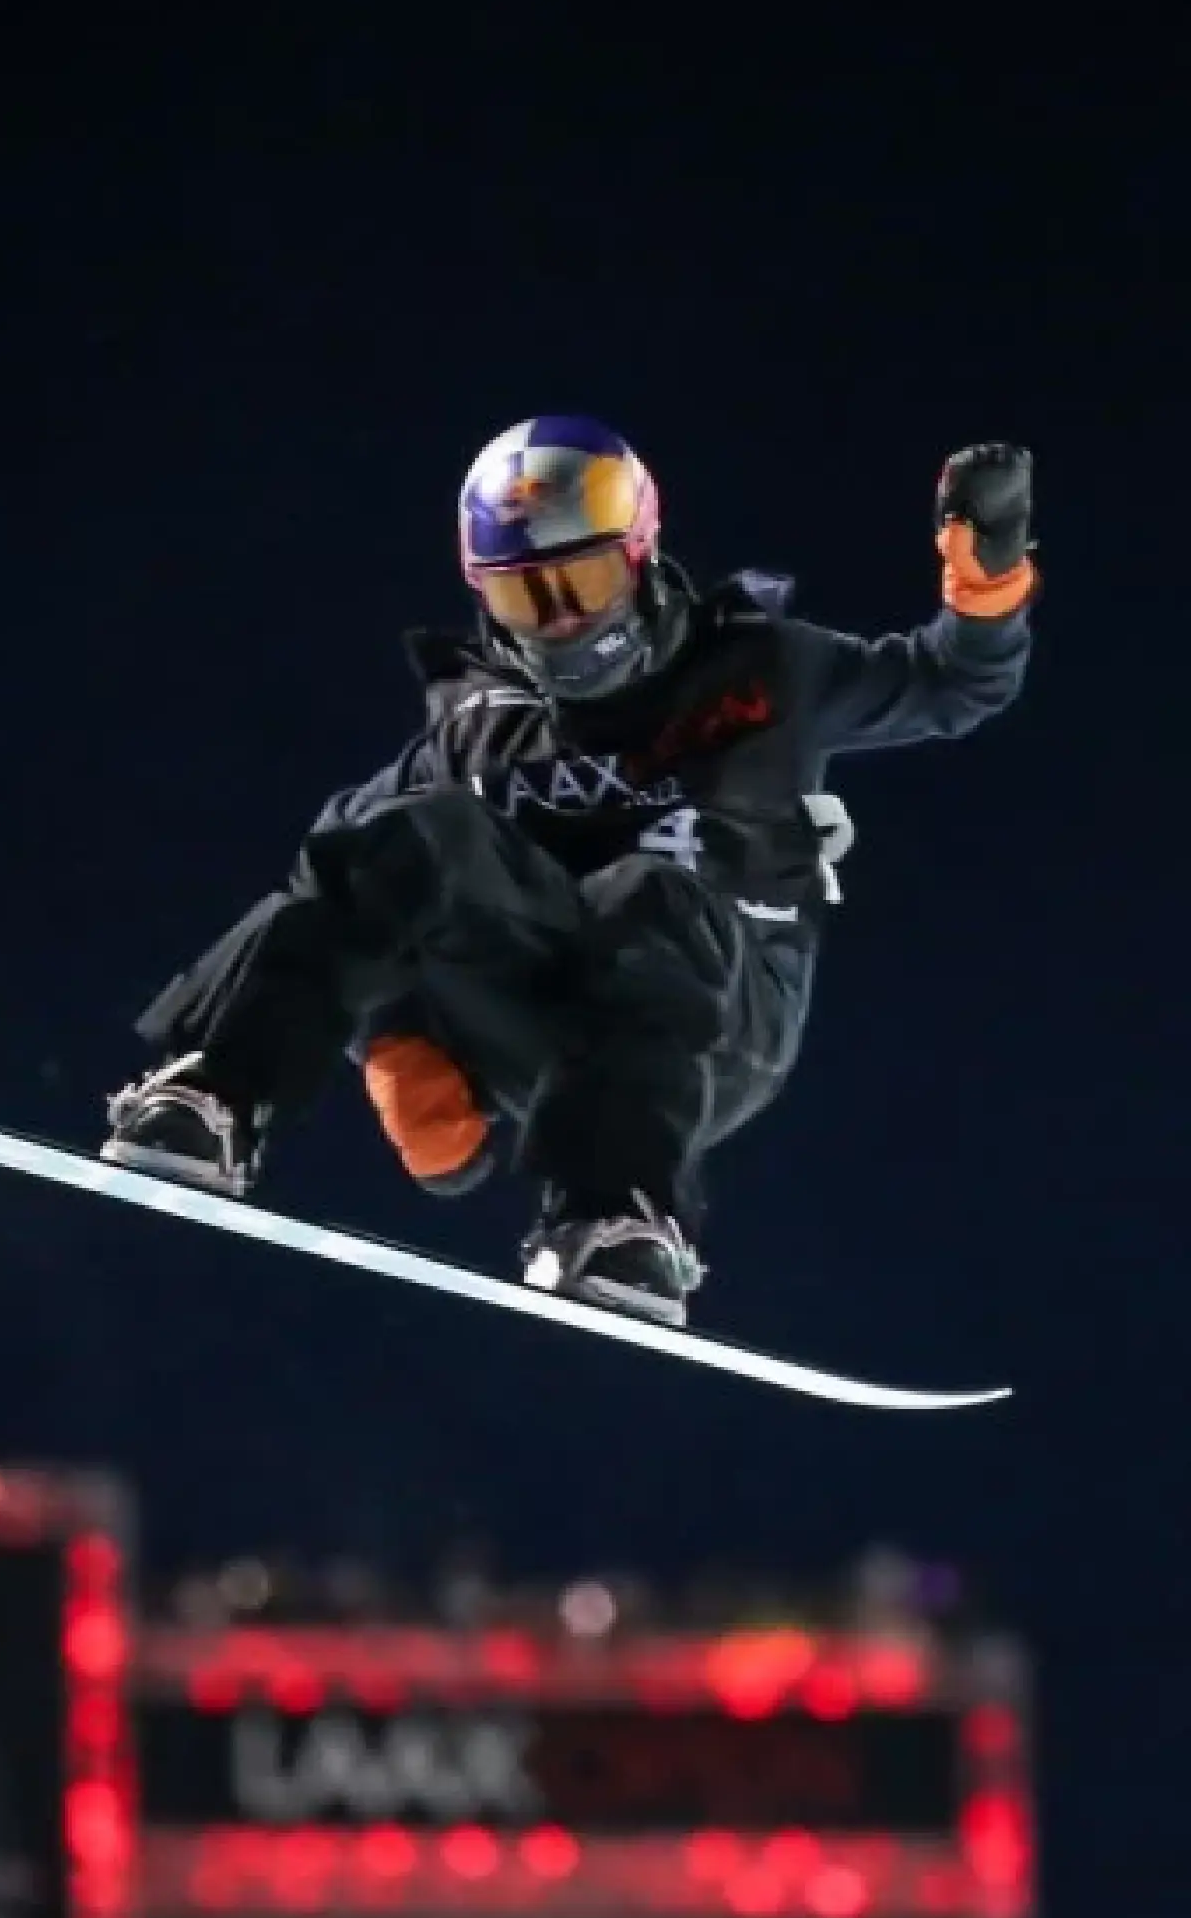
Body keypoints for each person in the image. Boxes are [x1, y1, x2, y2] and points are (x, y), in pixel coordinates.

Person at [102, 415, 1034, 1326]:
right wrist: (395, 1038)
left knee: (653, 891)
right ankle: (218, 1092)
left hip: (714, 1022)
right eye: (523, 598)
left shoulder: (760, 671)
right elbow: (348, 869)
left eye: (582, 584)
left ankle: (618, 1209)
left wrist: (986, 574)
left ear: (638, 554)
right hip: (543, 1015)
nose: (559, 625)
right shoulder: (484, 729)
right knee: (418, 828)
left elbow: (952, 684)